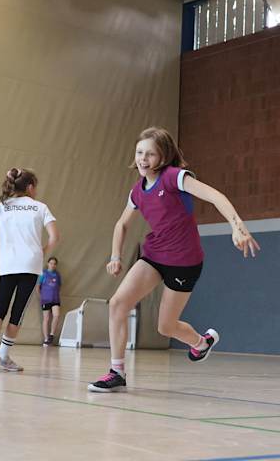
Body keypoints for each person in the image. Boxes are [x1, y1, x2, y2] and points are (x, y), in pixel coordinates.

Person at [88, 127, 260, 393]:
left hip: (184, 261)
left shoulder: (174, 177)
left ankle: (201, 343)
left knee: (165, 327)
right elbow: (121, 224)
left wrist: (237, 225)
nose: (143, 159)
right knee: (118, 304)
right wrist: (115, 256)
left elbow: (216, 196)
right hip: (155, 255)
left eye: (151, 154)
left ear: (163, 156)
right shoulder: (137, 191)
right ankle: (117, 372)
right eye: (139, 153)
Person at [0, 168, 58, 373]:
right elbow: (54, 237)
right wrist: (41, 252)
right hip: (31, 266)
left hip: (8, 265)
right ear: (30, 187)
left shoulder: (2, 207)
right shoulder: (40, 207)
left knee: (0, 307)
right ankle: (4, 356)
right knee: (17, 312)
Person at [38, 257, 63, 346]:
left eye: (54, 264)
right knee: (46, 318)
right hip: (45, 299)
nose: (52, 265)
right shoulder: (43, 274)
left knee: (56, 315)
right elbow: (38, 286)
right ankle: (46, 338)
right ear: (48, 264)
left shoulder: (57, 275)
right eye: (51, 263)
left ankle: (52, 334)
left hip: (55, 299)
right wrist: (42, 295)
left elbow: (59, 286)